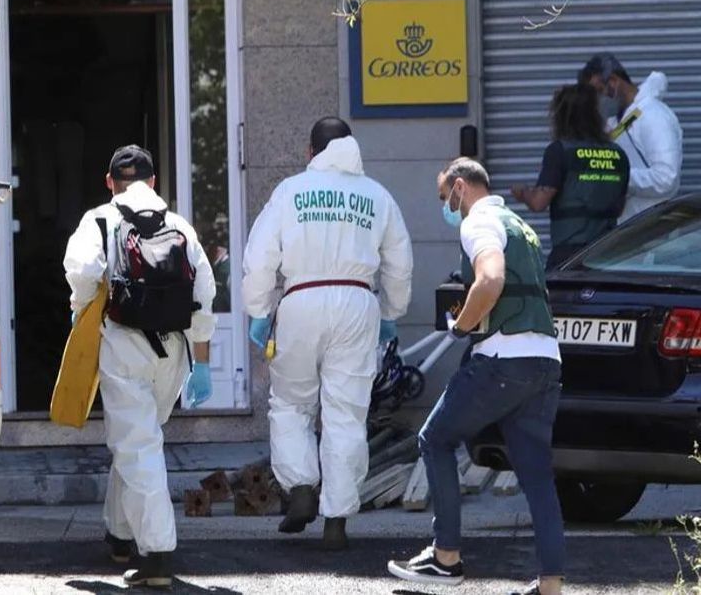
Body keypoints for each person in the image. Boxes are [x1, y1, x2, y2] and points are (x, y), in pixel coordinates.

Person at [389, 158, 564, 595]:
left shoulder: (478, 221)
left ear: (460, 187)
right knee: (538, 476)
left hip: (503, 359)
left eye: (444, 196)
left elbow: (490, 281)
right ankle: (550, 587)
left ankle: (446, 557)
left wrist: (463, 325)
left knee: (435, 438)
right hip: (545, 360)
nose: (445, 207)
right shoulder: (520, 225)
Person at [243, 117, 413, 549]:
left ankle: (301, 488)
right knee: (346, 414)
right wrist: (391, 313)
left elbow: (260, 256)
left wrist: (259, 311)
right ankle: (336, 519)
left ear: (311, 152)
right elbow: (399, 263)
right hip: (358, 304)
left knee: (291, 404)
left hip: (301, 299)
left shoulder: (290, 192)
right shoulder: (377, 195)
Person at [63, 144, 216, 589]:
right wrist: (201, 360)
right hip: (173, 353)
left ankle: (157, 554)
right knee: (138, 442)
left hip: (124, 346)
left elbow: (83, 269)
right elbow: (204, 293)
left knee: (138, 447)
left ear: (110, 183)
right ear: (153, 182)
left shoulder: (100, 219)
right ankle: (120, 532)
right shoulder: (178, 224)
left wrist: (81, 311)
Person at [512, 83, 630, 269]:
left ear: (561, 117)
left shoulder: (560, 151)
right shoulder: (618, 154)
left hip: (570, 257)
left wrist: (522, 192)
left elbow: (538, 202)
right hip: (608, 255)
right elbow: (620, 206)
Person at [578, 53, 682, 223]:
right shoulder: (620, 120)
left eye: (598, 92)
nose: (596, 101)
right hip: (631, 228)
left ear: (613, 82)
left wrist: (615, 176)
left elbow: (666, 179)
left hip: (654, 227)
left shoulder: (654, 116)